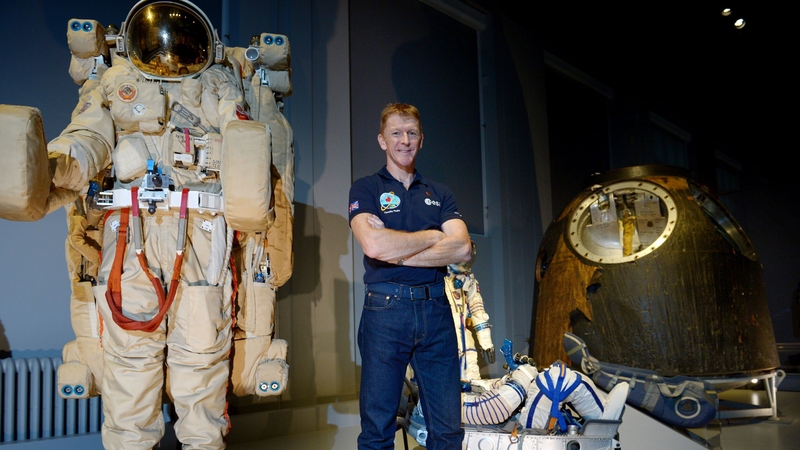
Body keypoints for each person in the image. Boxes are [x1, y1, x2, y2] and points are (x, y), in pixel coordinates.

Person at [0, 1, 294, 448]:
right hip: (129, 230)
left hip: (202, 231)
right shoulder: (118, 85)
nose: (168, 54)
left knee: (201, 357)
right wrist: (57, 165)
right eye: (158, 44)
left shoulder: (219, 84)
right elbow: (89, 137)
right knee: (129, 361)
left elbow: (242, 135)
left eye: (180, 44)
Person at [349, 103, 472, 450]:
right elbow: (373, 245)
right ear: (382, 140)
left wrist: (397, 249)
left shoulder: (440, 193)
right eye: (396, 133)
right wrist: (434, 238)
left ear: (421, 138)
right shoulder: (366, 189)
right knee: (377, 429)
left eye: (412, 132)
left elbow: (462, 249)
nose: (405, 140)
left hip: (436, 310)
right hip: (385, 311)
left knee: (448, 429)